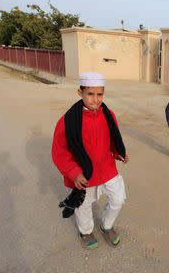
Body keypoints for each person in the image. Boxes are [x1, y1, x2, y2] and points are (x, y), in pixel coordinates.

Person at [52, 72, 129, 249]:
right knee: (83, 207)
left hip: (107, 169)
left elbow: (113, 139)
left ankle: (106, 226)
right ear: (80, 93)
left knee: (118, 199)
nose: (95, 99)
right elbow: (59, 152)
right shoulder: (67, 121)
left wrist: (118, 152)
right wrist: (74, 173)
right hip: (83, 175)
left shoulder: (109, 115)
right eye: (90, 94)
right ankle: (86, 232)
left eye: (99, 94)